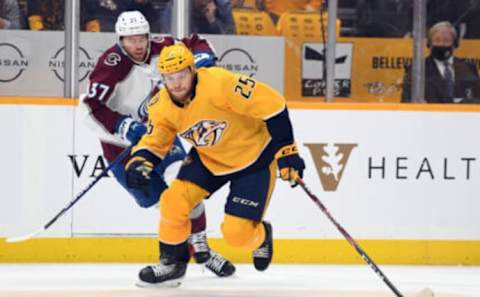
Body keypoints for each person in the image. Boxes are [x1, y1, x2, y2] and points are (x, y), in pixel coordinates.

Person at [125, 44, 305, 287]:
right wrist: (141, 160)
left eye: (181, 75)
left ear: (193, 70)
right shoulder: (161, 105)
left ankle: (261, 237)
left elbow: (273, 104)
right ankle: (173, 263)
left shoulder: (222, 84)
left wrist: (286, 150)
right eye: (170, 77)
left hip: (254, 157)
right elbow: (157, 140)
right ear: (163, 78)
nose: (176, 84)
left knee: (237, 235)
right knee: (172, 201)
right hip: (208, 158)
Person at [81, 10, 235, 278]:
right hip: (122, 149)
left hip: (161, 136)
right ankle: (177, 257)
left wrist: (202, 60)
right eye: (130, 40)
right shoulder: (111, 65)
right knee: (164, 206)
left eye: (141, 38)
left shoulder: (163, 47)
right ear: (120, 40)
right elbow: (90, 107)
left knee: (186, 189)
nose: (138, 45)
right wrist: (123, 126)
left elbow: (195, 41)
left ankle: (201, 249)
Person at [402, 21, 480, 103]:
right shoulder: (417, 70)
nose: (441, 44)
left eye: (446, 40)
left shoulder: (468, 69)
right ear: (429, 44)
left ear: (455, 44)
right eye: (437, 40)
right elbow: (406, 102)